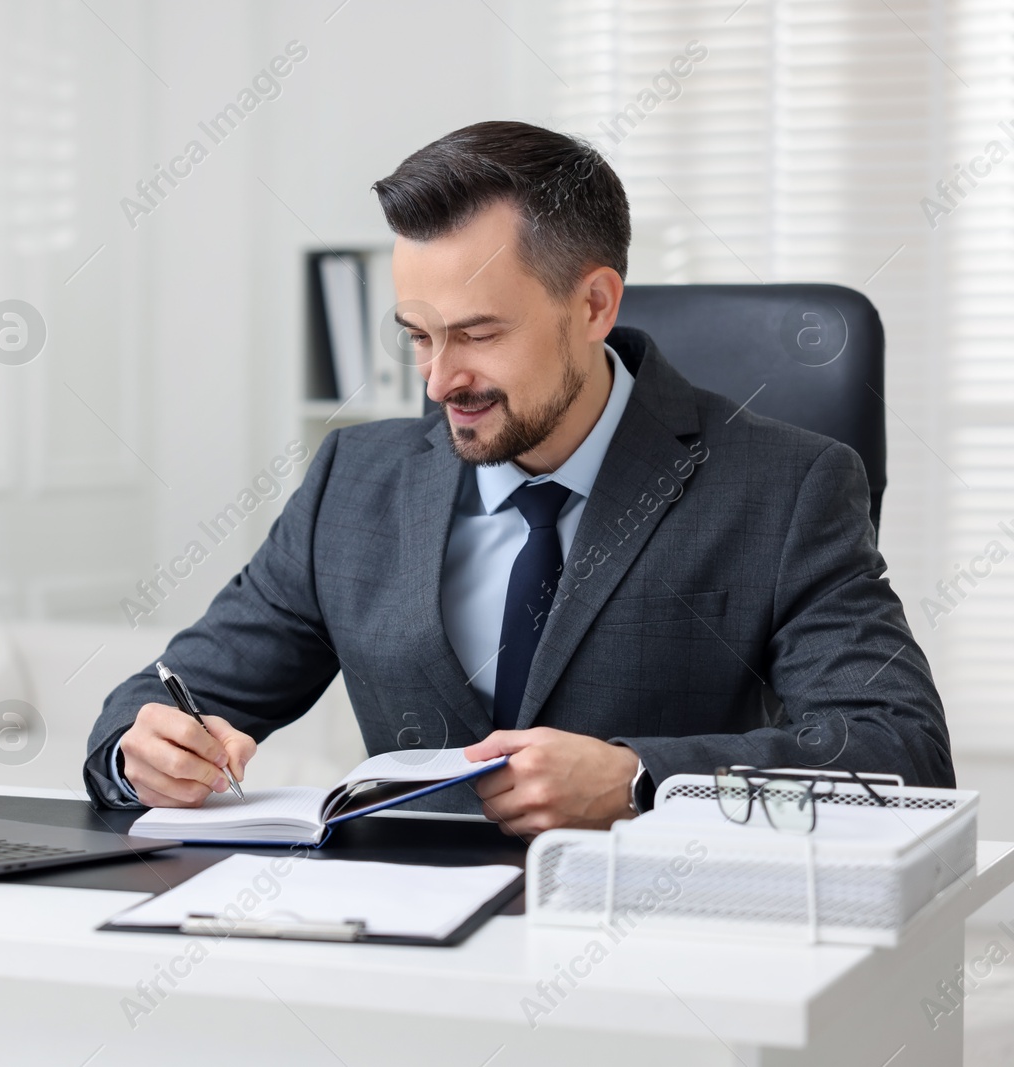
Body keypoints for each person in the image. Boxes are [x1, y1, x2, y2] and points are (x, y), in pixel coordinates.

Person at [82, 120, 954, 833]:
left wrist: (641, 779)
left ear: (594, 305)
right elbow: (171, 693)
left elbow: (898, 751)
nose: (437, 381)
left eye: (479, 333)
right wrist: (144, 749)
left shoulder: (787, 486)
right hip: (397, 958)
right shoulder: (354, 480)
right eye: (418, 335)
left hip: (661, 959)